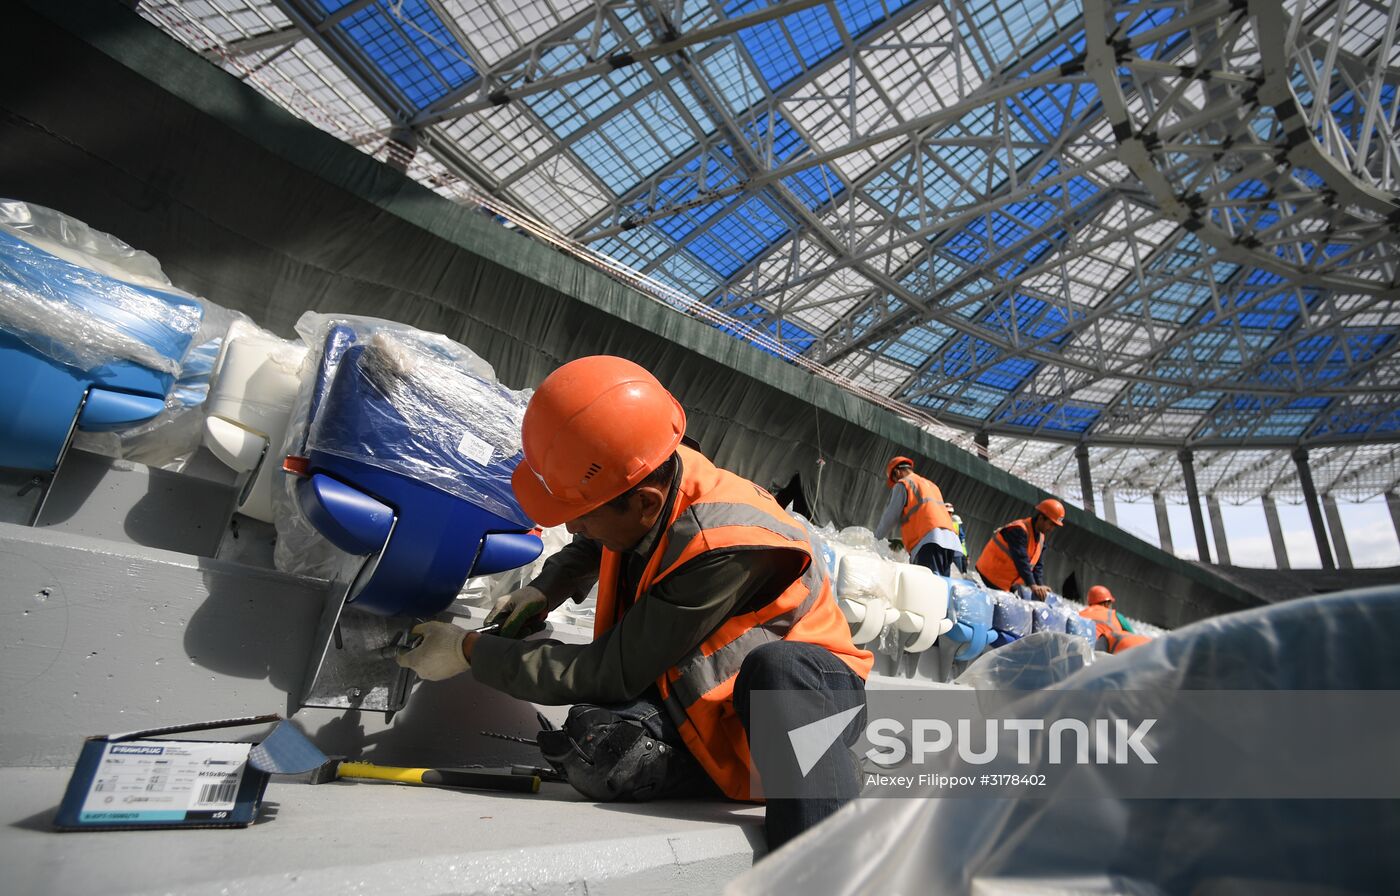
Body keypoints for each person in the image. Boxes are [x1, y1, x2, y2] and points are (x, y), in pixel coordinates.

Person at [396, 356, 873, 852]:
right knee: (599, 747)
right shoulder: (647, 471)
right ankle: (790, 771)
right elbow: (595, 539)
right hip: (711, 701)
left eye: (581, 515)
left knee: (778, 669)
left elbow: (610, 670)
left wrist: (468, 651)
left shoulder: (721, 548)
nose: (572, 526)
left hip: (808, 695)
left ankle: (818, 830)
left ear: (645, 502)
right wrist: (545, 589)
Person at [873, 456, 964, 577]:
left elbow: (890, 517)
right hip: (949, 542)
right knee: (941, 584)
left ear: (897, 472)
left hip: (929, 541)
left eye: (894, 479)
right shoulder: (932, 485)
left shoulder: (904, 484)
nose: (895, 482)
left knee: (926, 583)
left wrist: (874, 540)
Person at [975, 498, 1066, 599]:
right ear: (1041, 518)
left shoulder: (1041, 538)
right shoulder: (1018, 529)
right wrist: (1033, 585)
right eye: (1051, 524)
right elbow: (1021, 560)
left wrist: (1040, 586)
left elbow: (1038, 566)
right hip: (990, 577)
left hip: (1006, 584)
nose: (1052, 529)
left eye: (1054, 526)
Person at [1080, 585, 1151, 653]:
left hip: (1083, 649)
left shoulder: (1079, 614)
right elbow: (1132, 638)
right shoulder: (1115, 615)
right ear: (1106, 603)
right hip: (1105, 654)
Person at [946, 503, 968, 574]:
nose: (950, 514)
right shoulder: (953, 524)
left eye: (950, 512)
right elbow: (962, 537)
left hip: (954, 551)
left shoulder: (952, 524)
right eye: (949, 512)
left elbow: (961, 537)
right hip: (954, 551)